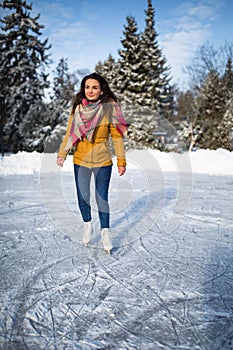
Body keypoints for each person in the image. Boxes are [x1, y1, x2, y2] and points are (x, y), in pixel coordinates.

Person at [57, 73, 127, 253]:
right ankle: (87, 224)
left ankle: (105, 232)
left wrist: (121, 160)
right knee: (83, 197)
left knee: (101, 198)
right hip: (80, 160)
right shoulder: (78, 109)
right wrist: (63, 153)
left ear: (101, 90)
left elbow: (117, 137)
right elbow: (69, 133)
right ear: (83, 89)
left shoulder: (109, 109)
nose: (90, 90)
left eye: (95, 87)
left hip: (103, 160)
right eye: (87, 87)